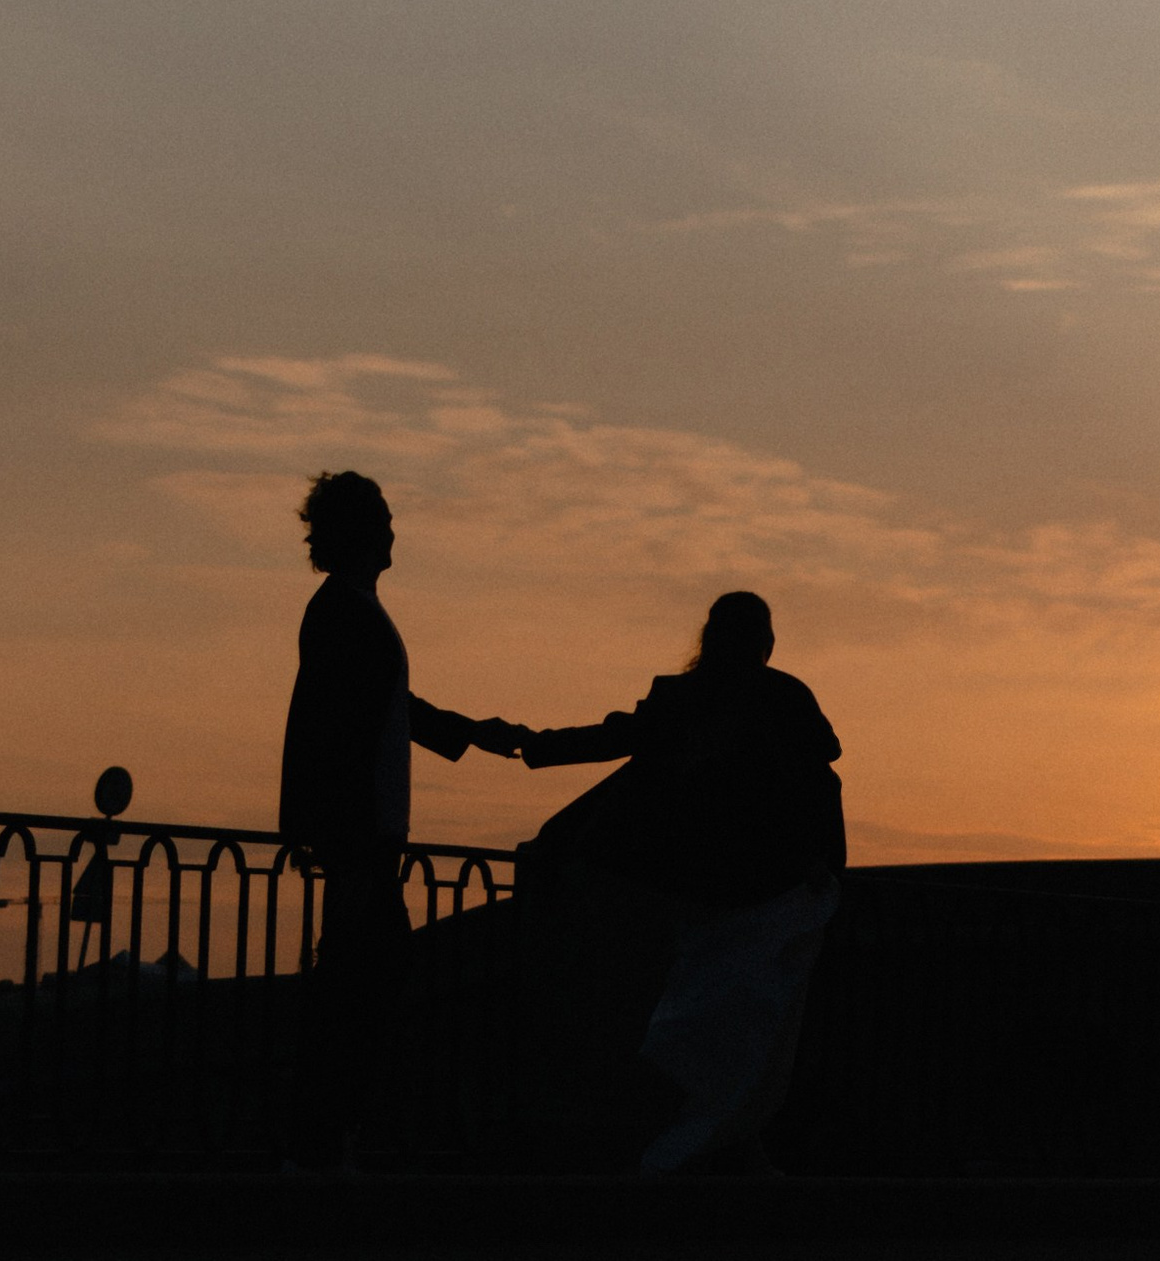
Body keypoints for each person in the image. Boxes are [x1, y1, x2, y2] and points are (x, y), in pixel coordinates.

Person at [504, 591, 846, 1174]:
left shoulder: (689, 698)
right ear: (765, 642)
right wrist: (826, 862)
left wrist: (529, 743)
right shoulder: (783, 698)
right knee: (746, 1028)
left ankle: (704, 1138)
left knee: (694, 1022)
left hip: (691, 886)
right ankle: (722, 1138)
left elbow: (616, 740)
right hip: (755, 889)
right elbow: (822, 780)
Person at [277, 469, 515, 1171]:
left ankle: (332, 1136)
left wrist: (470, 731)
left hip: (362, 840)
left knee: (359, 985)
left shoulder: (345, 610)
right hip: (361, 842)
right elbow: (343, 730)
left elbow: (386, 707)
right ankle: (332, 1137)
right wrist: (345, 846)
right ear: (358, 532)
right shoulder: (344, 614)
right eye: (381, 518)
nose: (392, 530)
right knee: (363, 989)